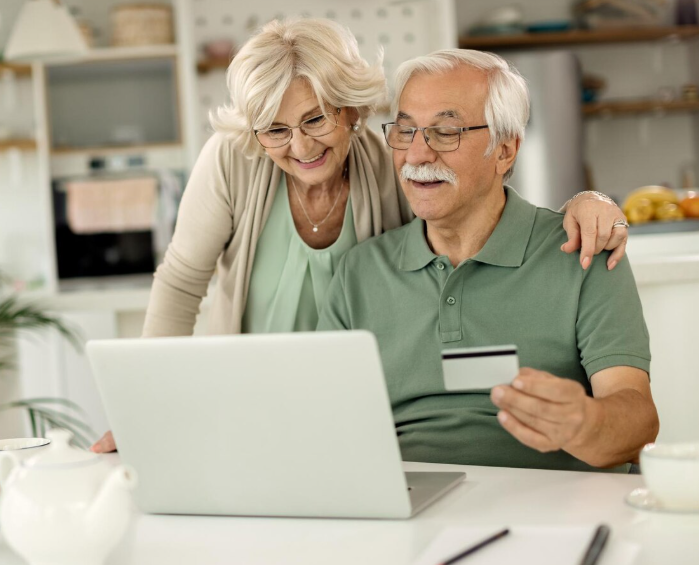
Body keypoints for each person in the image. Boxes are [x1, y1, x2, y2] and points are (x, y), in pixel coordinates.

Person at [91, 19, 629, 453]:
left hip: (345, 402)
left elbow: (466, 207)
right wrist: (148, 411)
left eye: (316, 120)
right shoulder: (235, 160)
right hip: (250, 387)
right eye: (276, 129)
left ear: (350, 109)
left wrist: (591, 202)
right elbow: (182, 284)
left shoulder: (392, 163)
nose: (300, 147)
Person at [317, 49, 658, 472]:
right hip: (407, 507)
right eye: (405, 132)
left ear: (505, 150)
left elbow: (639, 420)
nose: (417, 154)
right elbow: (327, 428)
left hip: (551, 506)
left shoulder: (582, 251)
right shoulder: (359, 273)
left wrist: (585, 424)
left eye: (445, 131)